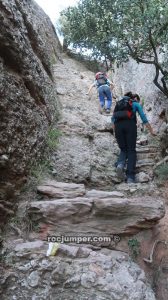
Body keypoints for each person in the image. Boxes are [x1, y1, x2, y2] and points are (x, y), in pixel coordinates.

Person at [111, 92, 156, 183]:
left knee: (123, 149)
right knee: (131, 150)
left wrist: (114, 132)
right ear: (134, 98)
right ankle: (130, 177)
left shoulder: (119, 104)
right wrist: (151, 131)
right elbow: (143, 118)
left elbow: (113, 119)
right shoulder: (135, 104)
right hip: (130, 126)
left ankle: (120, 164)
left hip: (118, 126)